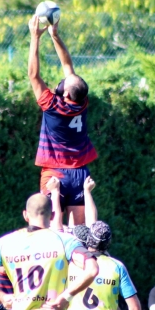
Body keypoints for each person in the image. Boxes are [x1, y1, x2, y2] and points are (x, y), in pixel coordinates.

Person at [28, 14, 98, 227]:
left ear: (66, 94)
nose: (62, 79)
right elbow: (68, 66)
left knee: (46, 228)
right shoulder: (81, 101)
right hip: (79, 173)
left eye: (64, 83)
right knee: (78, 232)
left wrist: (35, 37)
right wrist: (55, 36)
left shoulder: (52, 105)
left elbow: (33, 75)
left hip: (54, 171)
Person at [67, 221, 142, 310]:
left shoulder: (73, 263)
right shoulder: (117, 267)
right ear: (108, 243)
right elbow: (135, 308)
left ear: (88, 239)